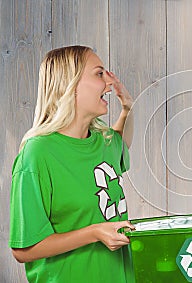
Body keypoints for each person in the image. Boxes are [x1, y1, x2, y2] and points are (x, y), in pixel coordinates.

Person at [9, 46, 136, 282]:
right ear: (70, 84)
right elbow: (23, 250)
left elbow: (121, 143)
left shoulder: (104, 141)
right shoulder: (37, 153)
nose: (108, 81)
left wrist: (128, 106)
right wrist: (94, 233)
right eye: (99, 74)